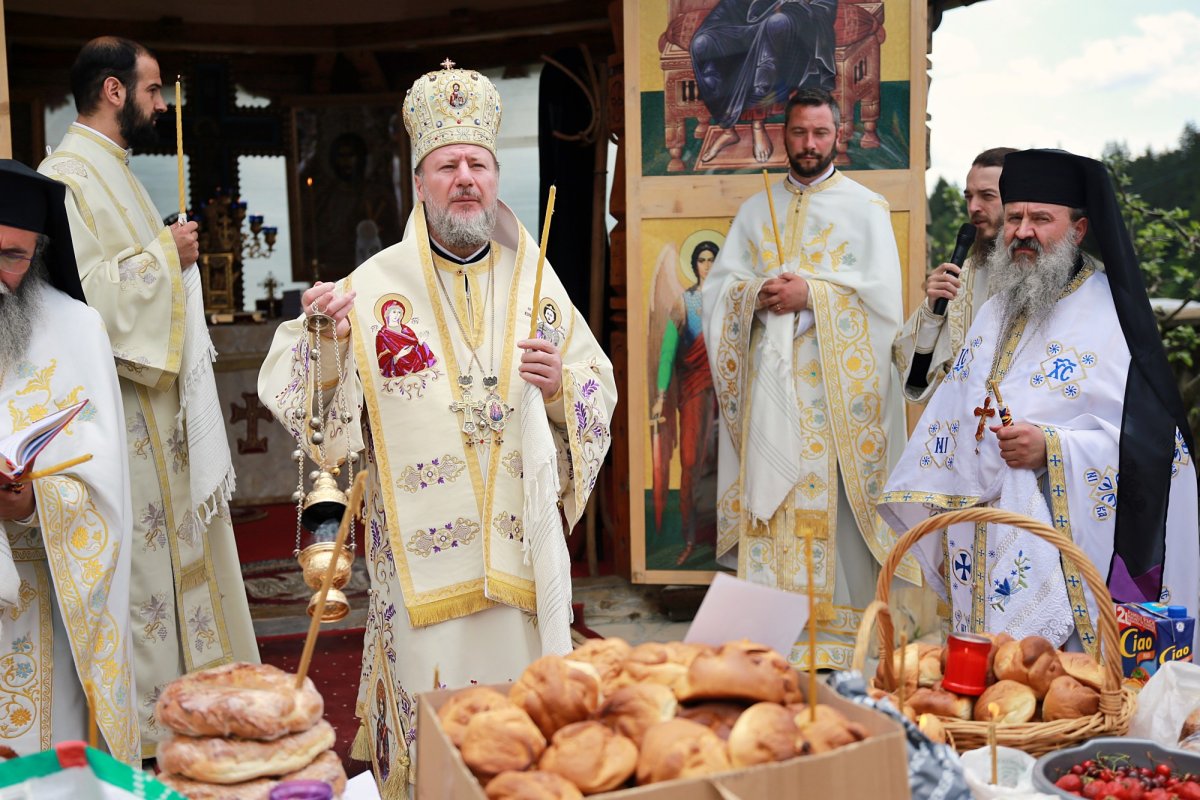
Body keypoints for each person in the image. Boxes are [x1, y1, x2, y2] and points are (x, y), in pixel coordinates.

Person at [258, 61, 616, 792]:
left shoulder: (535, 280)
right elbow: (313, 415)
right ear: (419, 181)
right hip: (422, 574)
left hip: (518, 563)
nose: (464, 178)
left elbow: (595, 387)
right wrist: (324, 339)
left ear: (495, 178)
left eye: (478, 164)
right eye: (447, 164)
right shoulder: (371, 286)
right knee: (435, 754)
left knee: (517, 749)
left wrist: (558, 391)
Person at [879, 149, 1199, 655]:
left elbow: (1163, 451)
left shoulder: (1109, 314)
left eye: (1041, 219)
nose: (1023, 231)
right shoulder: (995, 308)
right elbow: (953, 411)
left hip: (1066, 550)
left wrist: (1052, 447)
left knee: (1057, 683)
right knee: (994, 687)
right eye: (1015, 217)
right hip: (982, 538)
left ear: (1078, 228)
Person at [39, 36, 259, 756]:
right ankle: (150, 739)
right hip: (121, 420)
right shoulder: (67, 177)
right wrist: (169, 254)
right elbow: (79, 302)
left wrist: (164, 250)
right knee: (141, 588)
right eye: (154, 90)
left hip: (154, 419)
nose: (162, 105)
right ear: (113, 90)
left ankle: (195, 720)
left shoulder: (118, 174)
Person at [700, 88, 916, 670]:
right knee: (774, 516)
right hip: (771, 398)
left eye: (821, 133)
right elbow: (718, 294)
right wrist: (752, 297)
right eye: (799, 133)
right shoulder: (754, 211)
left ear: (837, 136)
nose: (810, 144)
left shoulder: (866, 209)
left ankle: (837, 648)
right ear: (784, 134)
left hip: (832, 407)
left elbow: (884, 317)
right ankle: (769, 640)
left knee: (832, 520)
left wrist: (812, 295)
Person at [0, 160, 139, 762]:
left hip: (46, 597)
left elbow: (108, 483)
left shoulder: (77, 329)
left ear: (38, 254)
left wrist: (36, 502)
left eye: (13, 256)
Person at [893, 147, 1017, 402]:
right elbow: (916, 379)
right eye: (969, 197)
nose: (974, 207)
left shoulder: (1050, 275)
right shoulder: (961, 274)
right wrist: (931, 313)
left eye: (987, 196)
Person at [690, 0, 837, 163]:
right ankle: (727, 128)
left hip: (791, 23)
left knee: (776, 24)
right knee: (702, 44)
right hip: (745, 20)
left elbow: (823, 6)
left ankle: (758, 125)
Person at [650, 239, 720, 566]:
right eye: (702, 259)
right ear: (694, 264)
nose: (706, 264)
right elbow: (667, 355)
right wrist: (661, 396)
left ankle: (723, 538)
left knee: (722, 462)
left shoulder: (729, 299)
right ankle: (690, 538)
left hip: (724, 394)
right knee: (692, 461)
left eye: (712, 259)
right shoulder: (684, 303)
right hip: (693, 392)